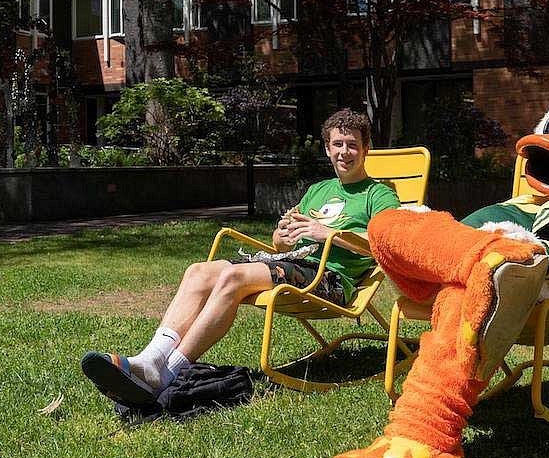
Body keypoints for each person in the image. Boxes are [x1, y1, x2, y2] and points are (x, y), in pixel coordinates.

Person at [81, 108, 401, 408]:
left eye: (352, 145)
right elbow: (281, 245)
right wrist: (282, 235)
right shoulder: (318, 190)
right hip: (296, 263)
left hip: (331, 280)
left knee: (233, 278)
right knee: (199, 271)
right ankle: (150, 360)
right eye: (338, 144)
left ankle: (168, 374)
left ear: (366, 148)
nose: (345, 152)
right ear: (328, 149)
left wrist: (326, 234)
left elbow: (388, 247)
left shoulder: (379, 194)